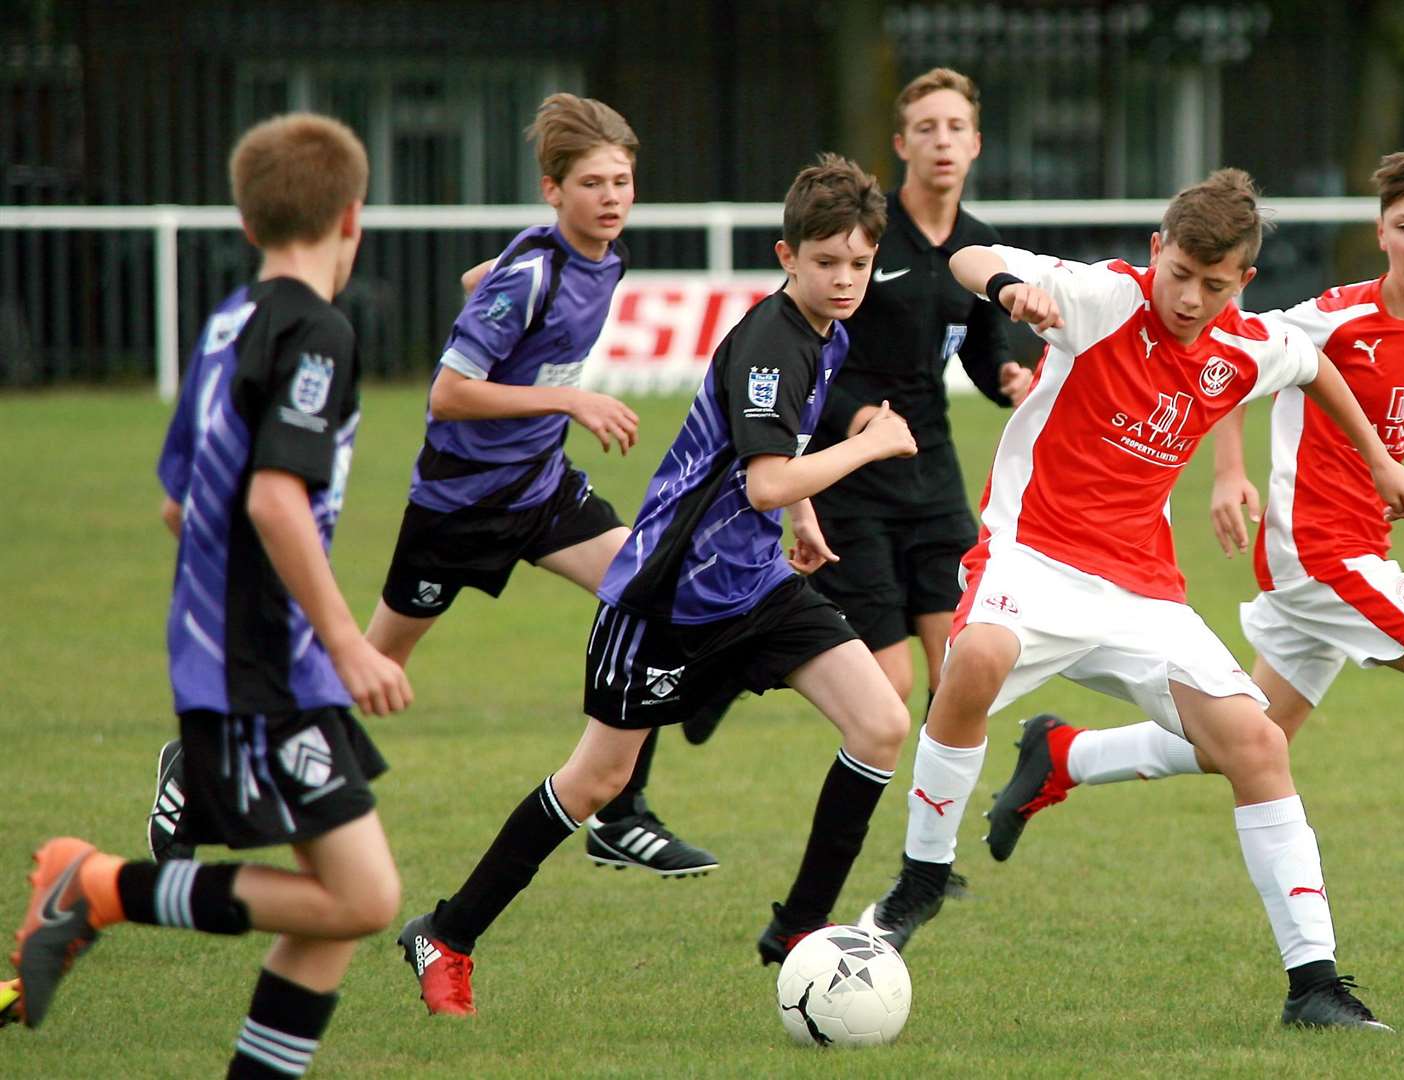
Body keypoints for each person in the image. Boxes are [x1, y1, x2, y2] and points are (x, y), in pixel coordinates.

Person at [982, 147, 1404, 963]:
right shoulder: (1332, 317)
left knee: (1255, 734)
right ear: (1379, 234)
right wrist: (1231, 474)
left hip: (1352, 553)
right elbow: (1231, 358)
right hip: (1318, 551)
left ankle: (1066, 754)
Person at [858, 167, 1404, 1031]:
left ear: (1244, 283)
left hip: (1140, 589)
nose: (1192, 299)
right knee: (971, 661)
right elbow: (968, 255)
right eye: (1180, 276)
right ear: (1155, 252)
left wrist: (1381, 459)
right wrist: (1012, 289)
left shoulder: (1244, 344)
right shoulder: (1098, 298)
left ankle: (1314, 985)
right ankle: (921, 880)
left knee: (1257, 743)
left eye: (1215, 284)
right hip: (1034, 557)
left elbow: (1312, 364)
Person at [147, 93, 723, 880]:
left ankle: (619, 813)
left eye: (622, 181)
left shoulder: (598, 258)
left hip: (542, 493)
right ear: (553, 190)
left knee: (652, 588)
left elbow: (479, 279)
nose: (612, 197)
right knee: (361, 673)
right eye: (593, 183)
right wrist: (569, 396)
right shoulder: (532, 273)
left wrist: (495, 303)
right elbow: (448, 394)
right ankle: (195, 766)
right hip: (457, 510)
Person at [396, 154, 916, 1016]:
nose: (844, 279)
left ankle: (799, 930)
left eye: (858, 263)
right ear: (787, 257)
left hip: (751, 587)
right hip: (665, 600)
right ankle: (446, 933)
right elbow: (762, 480)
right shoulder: (768, 345)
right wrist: (865, 448)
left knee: (881, 721)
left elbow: (773, 473)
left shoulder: (828, 334)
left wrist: (804, 520)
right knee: (595, 783)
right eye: (825, 262)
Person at [12, 114, 413, 1079]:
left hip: (243, 653)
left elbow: (177, 502)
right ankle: (98, 885)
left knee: (332, 917)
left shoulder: (230, 321)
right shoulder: (317, 332)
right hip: (265, 661)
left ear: (247, 220)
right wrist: (349, 643)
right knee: (363, 900)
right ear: (352, 216)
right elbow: (274, 498)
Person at [724, 67, 1027, 732]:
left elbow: (978, 345)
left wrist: (1005, 374)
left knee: (961, 668)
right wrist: (858, 415)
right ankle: (742, 656)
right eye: (926, 129)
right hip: (849, 474)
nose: (941, 142)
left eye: (955, 128)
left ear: (975, 144)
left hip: (930, 470)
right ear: (900, 144)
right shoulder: (863, 237)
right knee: (891, 685)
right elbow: (811, 353)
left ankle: (932, 816)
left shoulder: (980, 244)